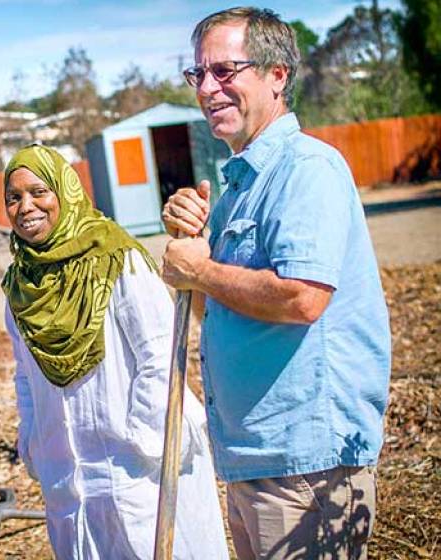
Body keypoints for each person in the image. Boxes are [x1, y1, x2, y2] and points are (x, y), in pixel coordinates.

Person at [161, 7, 391, 560]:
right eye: (199, 75)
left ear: (277, 75)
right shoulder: (239, 185)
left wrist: (199, 269)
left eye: (225, 71)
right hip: (256, 458)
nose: (208, 88)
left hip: (304, 465)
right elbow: (224, 314)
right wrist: (199, 252)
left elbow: (303, 297)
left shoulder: (306, 169)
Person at [2, 144, 228, 559]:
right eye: (13, 198)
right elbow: (24, 374)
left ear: (64, 191)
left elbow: (160, 355)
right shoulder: (19, 286)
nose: (26, 206)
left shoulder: (114, 258)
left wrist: (142, 441)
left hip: (141, 467)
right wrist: (34, 443)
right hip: (70, 477)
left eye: (38, 192)